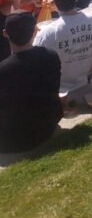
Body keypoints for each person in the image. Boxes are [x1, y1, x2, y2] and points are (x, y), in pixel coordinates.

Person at [0, 12, 63, 153]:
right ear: (35, 31)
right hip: (47, 126)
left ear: (5, 33)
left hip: (12, 140)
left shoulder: (3, 70)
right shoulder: (51, 56)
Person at [34, 0, 92, 94]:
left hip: (58, 91)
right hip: (83, 85)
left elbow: (36, 66)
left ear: (54, 1)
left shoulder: (47, 33)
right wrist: (82, 74)